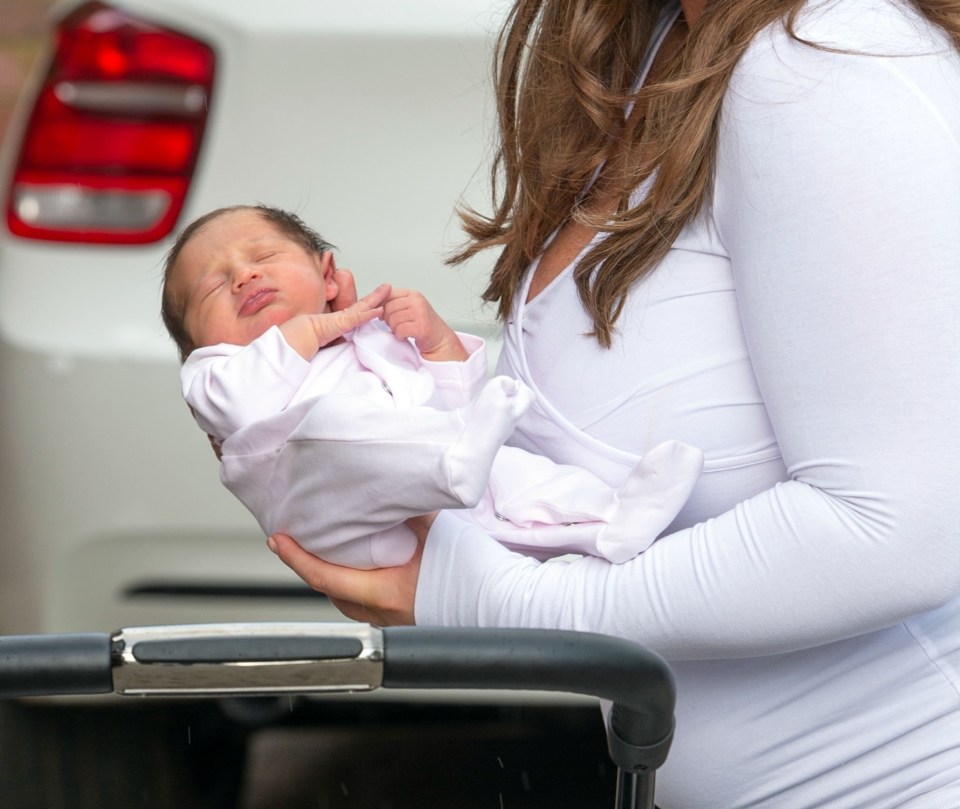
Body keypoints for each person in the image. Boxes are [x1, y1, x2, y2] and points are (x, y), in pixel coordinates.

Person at [266, 0, 960, 805]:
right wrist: (360, 396)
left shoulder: (824, 57)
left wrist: (504, 605)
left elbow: (899, 529)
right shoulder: (656, 46)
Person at [160, 204, 704, 568]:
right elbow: (238, 402)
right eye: (212, 286)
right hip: (340, 517)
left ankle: (610, 521)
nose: (243, 277)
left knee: (514, 476)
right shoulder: (216, 373)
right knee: (333, 427)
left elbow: (454, 403)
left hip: (441, 491)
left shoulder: (370, 337)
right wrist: (322, 326)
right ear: (195, 344)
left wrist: (438, 343)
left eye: (263, 257)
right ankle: (453, 461)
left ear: (328, 276)